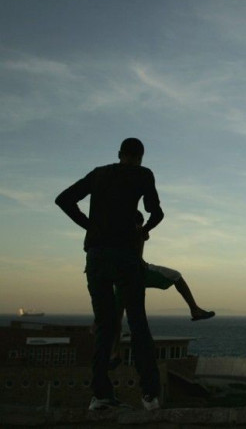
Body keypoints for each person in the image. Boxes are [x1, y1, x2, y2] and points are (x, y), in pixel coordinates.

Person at [55, 138, 164, 411]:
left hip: (96, 257)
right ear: (139, 156)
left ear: (119, 154)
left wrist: (90, 227)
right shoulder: (142, 174)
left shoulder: (99, 173)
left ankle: (101, 395)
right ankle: (149, 394)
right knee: (137, 322)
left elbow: (63, 199)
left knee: (104, 325)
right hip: (126, 257)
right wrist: (143, 229)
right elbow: (156, 212)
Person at [107, 211, 215, 369]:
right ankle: (194, 309)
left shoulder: (124, 234)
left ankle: (113, 353)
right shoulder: (135, 232)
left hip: (125, 275)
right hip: (136, 273)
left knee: (117, 316)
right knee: (176, 276)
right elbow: (153, 222)